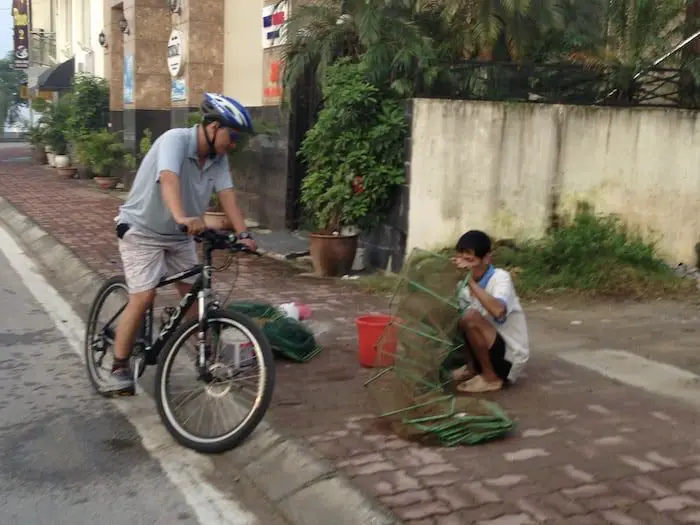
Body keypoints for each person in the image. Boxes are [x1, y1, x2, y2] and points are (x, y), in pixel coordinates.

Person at [105, 92, 258, 395]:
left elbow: (227, 196)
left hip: (180, 236)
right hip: (141, 230)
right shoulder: (175, 139)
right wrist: (182, 216)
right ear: (214, 127)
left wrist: (244, 235)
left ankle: (208, 359)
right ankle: (119, 366)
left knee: (195, 296)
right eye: (233, 135)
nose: (234, 143)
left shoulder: (217, 159)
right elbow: (169, 177)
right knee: (144, 296)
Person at [450, 230, 529, 393]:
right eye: (460, 256)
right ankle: (472, 369)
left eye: (469, 257)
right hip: (487, 346)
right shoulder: (461, 286)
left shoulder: (500, 278)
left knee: (470, 317)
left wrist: (470, 281)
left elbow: (498, 311)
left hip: (508, 356)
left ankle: (490, 378)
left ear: (486, 258)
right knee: (455, 318)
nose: (463, 262)